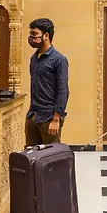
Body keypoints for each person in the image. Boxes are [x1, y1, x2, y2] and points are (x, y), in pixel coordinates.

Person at [26, 18, 70, 146]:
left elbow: (63, 91)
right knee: (31, 155)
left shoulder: (59, 60)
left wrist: (56, 119)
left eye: (34, 34)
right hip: (32, 116)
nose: (31, 37)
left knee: (51, 156)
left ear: (46, 36)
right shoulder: (34, 58)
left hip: (49, 118)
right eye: (31, 34)